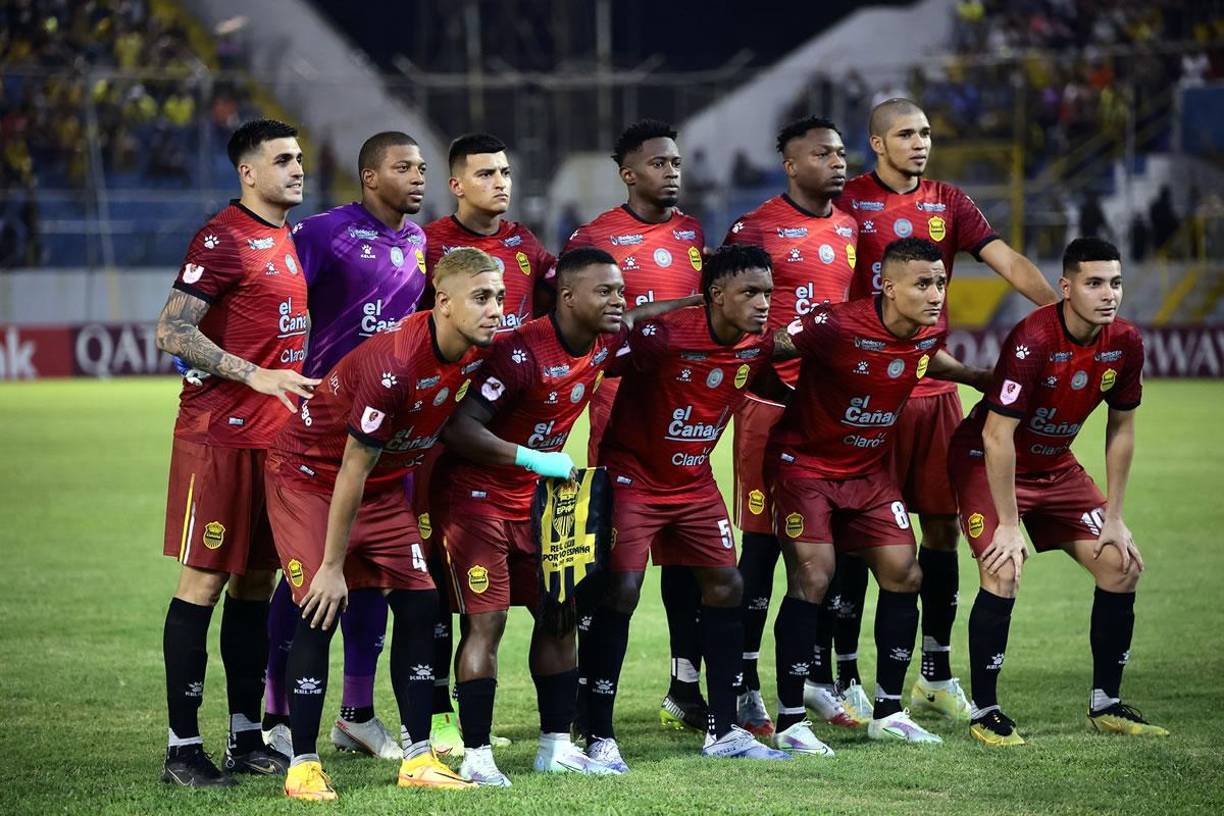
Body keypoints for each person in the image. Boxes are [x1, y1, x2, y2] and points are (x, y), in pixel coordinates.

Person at [434, 248, 699, 786]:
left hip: (542, 500)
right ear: (568, 297)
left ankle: (554, 746)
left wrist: (694, 302)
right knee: (487, 621)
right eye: (605, 292)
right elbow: (459, 429)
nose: (618, 302)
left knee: (560, 614)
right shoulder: (518, 354)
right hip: (479, 498)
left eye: (620, 291)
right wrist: (531, 458)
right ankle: (477, 754)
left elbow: (640, 318)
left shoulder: (604, 338)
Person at [835, 98, 1058, 722]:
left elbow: (1007, 259)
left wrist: (1055, 323)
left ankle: (934, 672)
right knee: (856, 536)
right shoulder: (848, 203)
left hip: (935, 394)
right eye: (907, 133)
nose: (920, 142)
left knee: (940, 530)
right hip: (866, 393)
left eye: (927, 133)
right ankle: (847, 675)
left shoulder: (949, 201)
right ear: (877, 143)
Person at [266, 248, 505, 800]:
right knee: (319, 607)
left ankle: (419, 757)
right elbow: (351, 466)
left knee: (422, 604)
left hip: (377, 482)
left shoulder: (473, 350)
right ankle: (301, 764)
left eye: (498, 297)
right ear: (443, 303)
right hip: (310, 477)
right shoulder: (394, 364)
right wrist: (331, 565)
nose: (496, 309)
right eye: (482, 298)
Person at [766, 238, 988, 749]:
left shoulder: (922, 335)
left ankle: (888, 711)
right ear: (888, 287)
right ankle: (791, 720)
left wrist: (977, 376)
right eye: (923, 284)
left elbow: (926, 360)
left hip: (868, 472)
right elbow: (768, 347)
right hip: (806, 467)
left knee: (905, 573)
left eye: (940, 283)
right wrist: (777, 396)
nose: (936, 295)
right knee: (814, 577)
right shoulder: (836, 324)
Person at [949, 237, 1168, 746]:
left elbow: (1122, 430)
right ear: (1066, 288)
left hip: (1056, 466)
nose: (1108, 294)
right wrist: (1007, 524)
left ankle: (1106, 703)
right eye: (1094, 283)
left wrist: (1114, 516)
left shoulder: (1126, 342)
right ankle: (985, 710)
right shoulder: (1032, 340)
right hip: (989, 462)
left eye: (1115, 282)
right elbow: (995, 434)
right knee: (1003, 570)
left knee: (1121, 564)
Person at [154, 119, 319, 787]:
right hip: (218, 440)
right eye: (282, 160)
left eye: (300, 158)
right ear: (247, 172)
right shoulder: (222, 237)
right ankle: (181, 749)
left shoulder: (284, 237)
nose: (297, 168)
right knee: (203, 584)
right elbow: (170, 329)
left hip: (273, 446)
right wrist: (251, 373)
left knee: (257, 588)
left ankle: (246, 735)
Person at [582, 244, 791, 769]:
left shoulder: (757, 345)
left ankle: (723, 731)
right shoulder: (665, 336)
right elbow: (611, 337)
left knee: (727, 585)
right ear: (716, 296)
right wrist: (677, 304)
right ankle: (598, 735)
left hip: (694, 482)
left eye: (768, 292)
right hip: (633, 474)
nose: (763, 303)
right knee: (623, 590)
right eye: (750, 293)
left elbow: (776, 375)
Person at [261, 131, 431, 762]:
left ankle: (357, 713)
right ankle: (277, 716)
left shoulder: (418, 242)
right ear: (368, 176)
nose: (417, 177)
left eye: (421, 167)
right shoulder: (324, 233)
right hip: (322, 435)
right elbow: (276, 303)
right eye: (402, 167)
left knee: (376, 578)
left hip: (385, 440)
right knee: (305, 579)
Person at [562, 119, 708, 732]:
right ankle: (584, 699)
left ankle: (685, 685)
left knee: (688, 562)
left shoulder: (695, 233)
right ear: (629, 174)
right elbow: (595, 319)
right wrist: (684, 309)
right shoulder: (594, 239)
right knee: (613, 572)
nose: (672, 171)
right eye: (658, 163)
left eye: (676, 162)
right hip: (619, 410)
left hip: (689, 411)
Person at [721, 115, 859, 737]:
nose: (837, 161)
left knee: (829, 547)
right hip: (770, 405)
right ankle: (747, 686)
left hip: (830, 409)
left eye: (840, 151)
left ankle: (814, 680)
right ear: (791, 163)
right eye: (822, 153)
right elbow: (726, 315)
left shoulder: (851, 226)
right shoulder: (755, 229)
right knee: (763, 544)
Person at [420, 132, 556, 755]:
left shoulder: (525, 245)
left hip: (501, 437)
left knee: (486, 602)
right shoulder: (430, 247)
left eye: (505, 171)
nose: (500, 182)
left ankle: (452, 725)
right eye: (485, 173)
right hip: (436, 437)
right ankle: (435, 725)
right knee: (430, 599)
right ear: (456, 184)